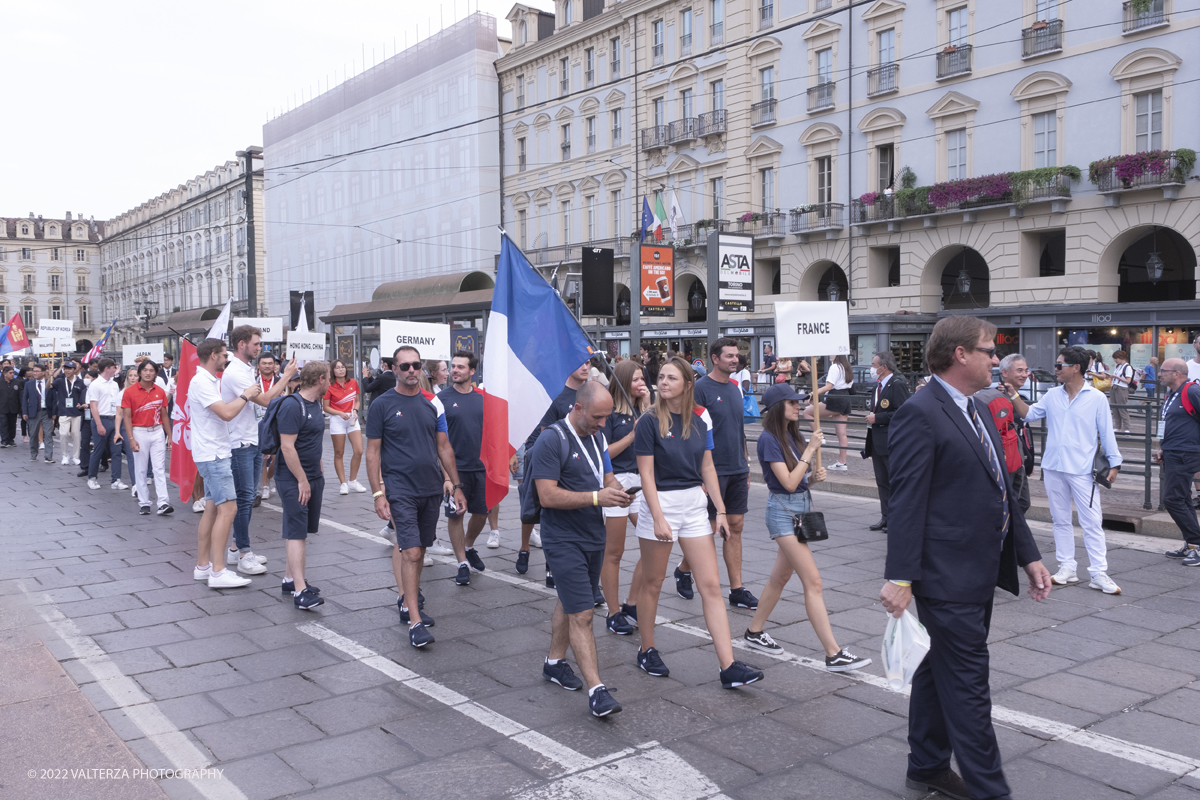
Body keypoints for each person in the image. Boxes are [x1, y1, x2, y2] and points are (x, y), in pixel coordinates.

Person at [881, 315, 1050, 800]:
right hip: (945, 578)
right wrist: (901, 577)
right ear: (960, 354)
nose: (996, 358)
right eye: (988, 349)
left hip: (977, 571)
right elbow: (906, 500)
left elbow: (1001, 491)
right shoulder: (921, 411)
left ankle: (928, 765)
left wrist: (1028, 556)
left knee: (937, 672)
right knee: (970, 686)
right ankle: (991, 790)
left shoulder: (977, 407)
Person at [632, 356, 765, 689]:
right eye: (660, 377)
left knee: (710, 586)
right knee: (652, 582)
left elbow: (707, 468)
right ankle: (646, 648)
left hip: (693, 502)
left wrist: (719, 510)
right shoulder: (649, 421)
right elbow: (645, 473)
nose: (662, 383)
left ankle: (728, 665)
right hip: (660, 501)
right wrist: (658, 516)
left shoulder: (698, 420)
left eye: (671, 378)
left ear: (687, 385)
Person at [742, 384, 871, 670]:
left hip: (799, 509)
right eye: (793, 403)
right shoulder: (768, 439)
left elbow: (799, 481)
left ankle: (754, 631)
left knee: (779, 579)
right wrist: (810, 451)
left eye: (799, 402)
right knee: (813, 582)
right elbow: (786, 483)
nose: (799, 406)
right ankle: (833, 653)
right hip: (782, 514)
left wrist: (813, 478)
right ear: (778, 407)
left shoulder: (791, 435)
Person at [532, 381, 630, 717]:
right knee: (584, 613)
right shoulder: (552, 439)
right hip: (563, 537)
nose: (604, 424)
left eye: (607, 417)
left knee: (571, 600)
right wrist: (595, 498)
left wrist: (621, 491)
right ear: (578, 408)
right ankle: (597, 691)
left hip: (593, 533)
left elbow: (606, 477)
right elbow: (546, 495)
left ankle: (554, 662)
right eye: (598, 417)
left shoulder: (598, 437)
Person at [366, 345, 467, 649]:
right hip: (399, 489)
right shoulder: (381, 405)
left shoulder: (432, 403)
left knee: (420, 550)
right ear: (394, 369)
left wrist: (455, 484)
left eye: (416, 365)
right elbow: (372, 452)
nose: (411, 370)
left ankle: (408, 601)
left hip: (430, 488)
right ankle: (414, 620)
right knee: (410, 551)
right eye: (405, 366)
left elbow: (444, 446)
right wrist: (377, 493)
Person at [1008, 345, 1123, 594]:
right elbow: (1028, 415)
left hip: (1082, 469)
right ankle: (1067, 567)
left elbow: (1106, 433)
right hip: (1053, 467)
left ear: (1076, 368)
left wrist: (1115, 463)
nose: (1055, 369)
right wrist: (1013, 395)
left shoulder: (1095, 399)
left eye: (1060, 365)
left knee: (1091, 521)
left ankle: (1098, 572)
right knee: (1059, 520)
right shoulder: (1052, 395)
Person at [676, 338, 759, 610]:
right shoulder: (700, 389)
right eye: (729, 356)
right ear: (715, 358)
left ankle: (737, 589)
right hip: (712, 470)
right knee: (710, 528)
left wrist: (746, 465)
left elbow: (739, 431)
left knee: (735, 526)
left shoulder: (735, 388)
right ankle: (684, 570)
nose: (735, 360)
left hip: (737, 468)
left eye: (736, 356)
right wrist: (698, 474)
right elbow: (691, 432)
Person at [220, 325, 297, 575]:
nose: (259, 348)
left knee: (248, 497)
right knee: (244, 500)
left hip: (250, 440)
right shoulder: (236, 372)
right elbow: (264, 400)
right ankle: (243, 552)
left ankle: (235, 549)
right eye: (255, 344)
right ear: (241, 344)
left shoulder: (245, 369)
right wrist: (285, 376)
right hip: (240, 443)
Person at [188, 337, 263, 589]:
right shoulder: (201, 381)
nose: (226, 359)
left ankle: (202, 566)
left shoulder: (206, 380)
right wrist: (245, 394)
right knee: (228, 510)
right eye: (223, 355)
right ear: (212, 356)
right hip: (214, 455)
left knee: (212, 508)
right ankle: (219, 572)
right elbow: (227, 413)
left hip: (213, 452)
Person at [514, 361, 590, 574]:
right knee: (536, 507)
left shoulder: (590, 393)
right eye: (581, 363)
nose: (586, 367)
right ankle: (524, 548)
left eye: (589, 363)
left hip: (579, 462)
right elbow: (546, 432)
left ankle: (552, 566)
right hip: (553, 459)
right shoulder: (557, 394)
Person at [600, 359, 651, 635]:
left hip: (642, 482)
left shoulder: (645, 410)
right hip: (616, 481)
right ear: (623, 381)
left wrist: (650, 404)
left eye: (643, 378)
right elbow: (603, 454)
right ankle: (613, 611)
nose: (641, 383)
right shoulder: (609, 413)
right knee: (615, 552)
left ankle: (631, 602)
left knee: (654, 542)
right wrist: (632, 436)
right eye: (636, 379)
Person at [277, 362, 331, 609]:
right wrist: (301, 480)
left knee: (299, 529)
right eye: (328, 378)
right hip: (293, 478)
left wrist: (317, 469)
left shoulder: (316, 404)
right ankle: (300, 591)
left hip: (312, 476)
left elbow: (312, 440)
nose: (329, 382)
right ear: (321, 379)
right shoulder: (292, 405)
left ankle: (290, 579)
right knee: (296, 530)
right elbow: (287, 447)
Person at [437, 351, 493, 585]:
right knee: (456, 515)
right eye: (453, 366)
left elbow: (493, 433)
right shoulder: (441, 399)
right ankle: (462, 563)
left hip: (481, 468)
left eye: (461, 367)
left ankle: (468, 545)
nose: (455, 370)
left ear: (472, 371)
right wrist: (446, 476)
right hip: (455, 470)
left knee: (482, 513)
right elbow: (437, 442)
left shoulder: (483, 398)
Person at [1154, 359, 1200, 565]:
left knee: (1172, 499)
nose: (1159, 374)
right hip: (1174, 451)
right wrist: (1163, 446)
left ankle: (1197, 544)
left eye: (1163, 371)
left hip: (1186, 452)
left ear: (1177, 373)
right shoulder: (1171, 394)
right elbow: (1169, 422)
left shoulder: (1192, 391)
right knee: (1182, 499)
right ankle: (1191, 545)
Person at [120, 360, 174, 515]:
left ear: (155, 373)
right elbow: (127, 417)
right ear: (140, 372)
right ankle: (144, 502)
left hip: (157, 431)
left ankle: (163, 503)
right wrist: (131, 438)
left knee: (159, 469)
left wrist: (169, 436)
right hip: (139, 432)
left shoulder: (160, 391)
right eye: (145, 370)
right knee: (141, 469)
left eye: (152, 370)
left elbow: (164, 415)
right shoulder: (129, 392)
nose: (148, 373)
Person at [864, 351, 910, 533]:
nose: (872, 369)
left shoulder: (897, 385)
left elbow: (903, 412)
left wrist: (879, 418)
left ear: (883, 367)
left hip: (891, 442)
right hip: (876, 442)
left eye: (874, 365)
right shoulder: (879, 386)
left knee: (894, 483)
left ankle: (897, 519)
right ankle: (886, 517)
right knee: (882, 482)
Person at [982, 354, 1034, 513]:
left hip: (1018, 462)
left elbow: (1024, 430)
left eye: (1026, 370)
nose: (1024, 374)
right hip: (1005, 465)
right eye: (1019, 370)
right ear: (1004, 373)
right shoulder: (996, 398)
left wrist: (1028, 459)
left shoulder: (1016, 397)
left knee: (1021, 504)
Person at [323, 359, 367, 496]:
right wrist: (340, 413)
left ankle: (352, 480)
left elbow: (358, 401)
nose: (341, 370)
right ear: (333, 370)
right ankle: (343, 483)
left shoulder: (353, 382)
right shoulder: (329, 386)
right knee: (339, 452)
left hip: (352, 419)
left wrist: (355, 410)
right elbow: (325, 407)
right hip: (337, 419)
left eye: (343, 367)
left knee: (359, 450)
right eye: (337, 368)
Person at [86, 359, 129, 490]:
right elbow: (93, 407)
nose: (115, 370)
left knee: (116, 451)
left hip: (114, 419)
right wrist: (99, 424)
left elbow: (117, 404)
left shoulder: (115, 384)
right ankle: (92, 478)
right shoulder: (95, 384)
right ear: (107, 368)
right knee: (98, 450)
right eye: (114, 368)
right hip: (102, 419)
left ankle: (116, 479)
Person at [804, 355, 853, 469]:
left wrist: (812, 393)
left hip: (835, 398)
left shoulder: (835, 367)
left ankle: (820, 436)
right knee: (842, 433)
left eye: (832, 353)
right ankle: (842, 463)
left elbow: (829, 386)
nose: (830, 355)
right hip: (845, 398)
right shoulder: (846, 367)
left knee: (807, 412)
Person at [255, 354, 281, 503]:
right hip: (258, 421)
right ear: (258, 365)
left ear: (274, 365)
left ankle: (270, 478)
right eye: (263, 363)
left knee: (277, 457)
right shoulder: (254, 382)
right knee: (262, 457)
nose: (267, 366)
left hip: (276, 421)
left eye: (270, 363)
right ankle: (264, 485)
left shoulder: (280, 382)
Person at [22, 362, 57, 463]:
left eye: (37, 371)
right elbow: (24, 399)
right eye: (34, 371)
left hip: (46, 412)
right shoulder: (29, 384)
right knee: (33, 434)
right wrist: (24, 412)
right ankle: (33, 454)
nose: (35, 373)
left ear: (43, 372)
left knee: (48, 433)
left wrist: (54, 412)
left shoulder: (49, 382)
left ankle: (48, 456)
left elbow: (54, 399)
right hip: (33, 412)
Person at [53, 360, 86, 465]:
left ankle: (76, 456)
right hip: (63, 411)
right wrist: (50, 376)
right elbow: (49, 386)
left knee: (76, 435)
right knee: (63, 433)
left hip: (76, 412)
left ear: (74, 370)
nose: (67, 370)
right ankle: (65, 455)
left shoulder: (80, 381)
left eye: (69, 368)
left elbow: (83, 394)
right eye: (65, 368)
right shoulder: (59, 381)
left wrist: (81, 404)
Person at [1110, 350, 1134, 434]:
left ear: (1121, 357)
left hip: (1122, 388)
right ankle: (1118, 427)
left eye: (1116, 358)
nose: (1115, 360)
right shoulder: (1118, 366)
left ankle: (1127, 428)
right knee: (1114, 408)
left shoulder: (1127, 367)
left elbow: (1128, 381)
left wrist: (1116, 377)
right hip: (1114, 387)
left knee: (1122, 408)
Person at [0, 366, 21, 447]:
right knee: (3, 424)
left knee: (12, 424)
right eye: (10, 373)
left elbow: (20, 395)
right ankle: (4, 440)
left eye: (13, 373)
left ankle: (11, 439)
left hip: (13, 407)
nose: (12, 374)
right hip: (2, 407)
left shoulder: (17, 382)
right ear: (5, 374)